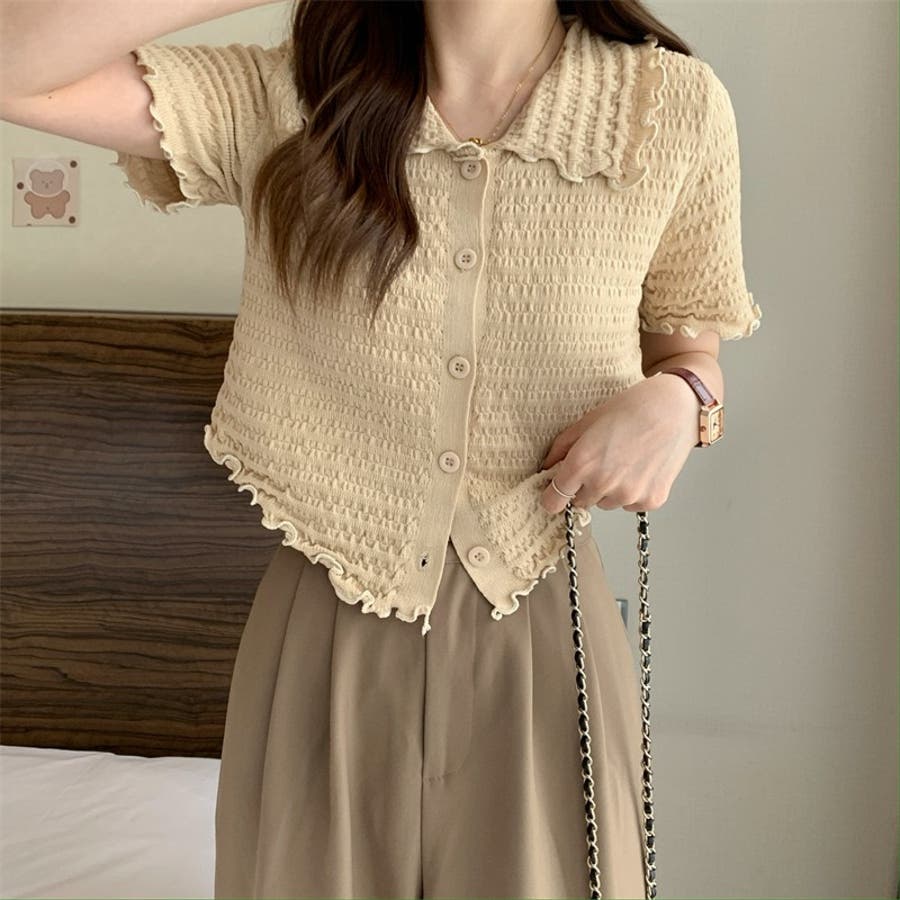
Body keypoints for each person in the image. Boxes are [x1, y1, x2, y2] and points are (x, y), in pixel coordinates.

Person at [0, 0, 762, 897]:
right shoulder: (294, 97)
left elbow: (688, 348)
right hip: (325, 619)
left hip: (541, 616)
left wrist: (681, 400)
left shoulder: (668, 106)